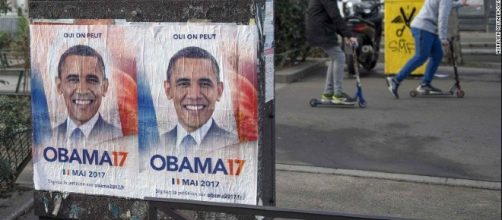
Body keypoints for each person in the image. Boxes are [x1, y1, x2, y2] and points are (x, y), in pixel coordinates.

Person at [386, 0, 469, 98]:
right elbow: (443, 17)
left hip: (429, 29)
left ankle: (425, 84)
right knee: (421, 56)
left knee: (437, 55)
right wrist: (442, 38)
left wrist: (460, 4)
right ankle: (395, 80)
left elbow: (444, 5)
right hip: (423, 28)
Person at [161, 46, 236, 150]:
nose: (194, 95)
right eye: (183, 84)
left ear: (219, 91)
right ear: (168, 90)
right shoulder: (155, 144)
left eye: (205, 84)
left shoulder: (236, 145)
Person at [54, 45, 122, 145]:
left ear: (104, 87)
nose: (82, 90)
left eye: (92, 80)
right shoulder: (49, 137)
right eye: (73, 79)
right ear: (59, 86)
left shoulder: (120, 137)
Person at [305, 0, 359, 104]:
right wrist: (348, 35)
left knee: (335, 57)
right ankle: (338, 94)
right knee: (339, 57)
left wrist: (345, 35)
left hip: (319, 29)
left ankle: (328, 93)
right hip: (321, 31)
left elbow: (331, 17)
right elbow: (335, 16)